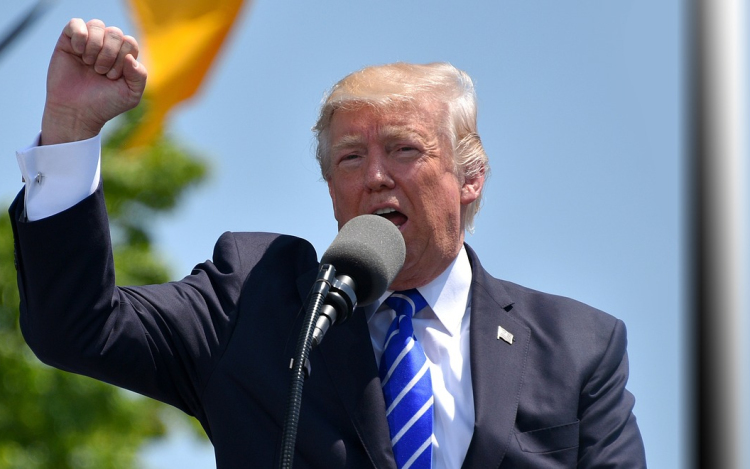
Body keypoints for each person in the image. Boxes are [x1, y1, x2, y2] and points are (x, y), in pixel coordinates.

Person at [9, 18, 647, 468]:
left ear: (470, 176)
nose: (375, 177)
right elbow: (76, 328)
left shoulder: (576, 346)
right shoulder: (253, 297)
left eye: (404, 149)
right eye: (350, 158)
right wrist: (70, 129)